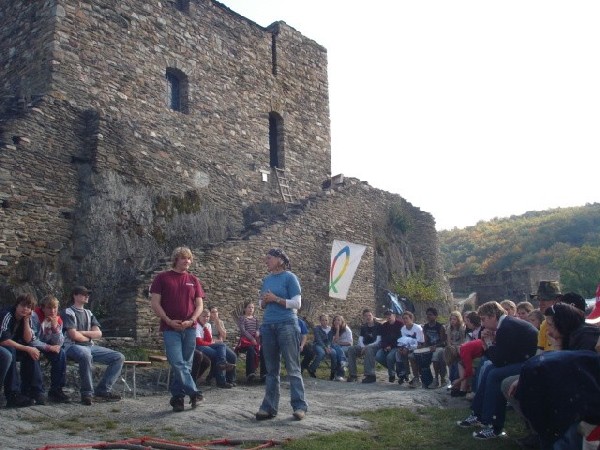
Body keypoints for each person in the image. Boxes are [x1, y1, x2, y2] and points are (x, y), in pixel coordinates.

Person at [456, 301, 538, 440]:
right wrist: (488, 343)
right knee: (489, 369)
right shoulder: (506, 325)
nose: (482, 324)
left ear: (493, 316)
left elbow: (499, 360)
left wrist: (488, 343)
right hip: (523, 360)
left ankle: (494, 425)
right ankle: (478, 414)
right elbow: (500, 357)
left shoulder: (507, 327)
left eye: (483, 319)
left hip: (532, 363)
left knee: (495, 375)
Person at [255, 248, 307, 421]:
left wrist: (276, 299)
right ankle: (268, 407)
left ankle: (299, 407)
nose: (266, 261)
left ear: (280, 260)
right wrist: (264, 301)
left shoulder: (290, 277)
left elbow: (297, 304)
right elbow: (261, 304)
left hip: (287, 325)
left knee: (292, 367)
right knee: (271, 370)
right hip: (268, 326)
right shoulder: (266, 280)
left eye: (269, 258)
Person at [150, 246, 204, 412]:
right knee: (177, 362)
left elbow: (199, 305)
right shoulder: (162, 278)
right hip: (170, 328)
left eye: (189, 258)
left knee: (185, 365)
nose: (187, 261)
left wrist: (192, 320)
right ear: (176, 259)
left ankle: (178, 398)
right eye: (183, 258)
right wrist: (167, 320)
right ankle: (194, 393)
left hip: (190, 328)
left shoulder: (193, 280)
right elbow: (155, 303)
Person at [62, 286, 125, 406]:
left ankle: (103, 390)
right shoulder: (68, 312)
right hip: (72, 346)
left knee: (118, 357)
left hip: (90, 347)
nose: (87, 296)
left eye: (88, 294)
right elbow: (73, 335)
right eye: (83, 294)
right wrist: (88, 336)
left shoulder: (89, 313)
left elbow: (98, 334)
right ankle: (87, 393)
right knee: (85, 355)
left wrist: (82, 333)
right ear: (75, 295)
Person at [0, 293, 43, 407]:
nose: (25, 309)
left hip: (11, 346)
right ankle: (12, 394)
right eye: (23, 305)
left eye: (29, 307)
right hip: (4, 346)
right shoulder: (7, 315)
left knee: (32, 352)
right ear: (17, 305)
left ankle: (34, 391)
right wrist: (27, 348)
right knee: (11, 350)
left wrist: (26, 321)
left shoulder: (26, 318)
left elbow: (28, 339)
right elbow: (3, 340)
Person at [31, 294, 70, 403]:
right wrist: (48, 347)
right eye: (49, 308)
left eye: (55, 308)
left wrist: (55, 327)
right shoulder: (34, 316)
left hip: (47, 345)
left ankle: (56, 390)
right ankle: (38, 391)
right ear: (42, 308)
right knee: (33, 354)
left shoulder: (58, 320)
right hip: (33, 344)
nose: (53, 311)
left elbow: (59, 342)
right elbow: (31, 340)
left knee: (61, 354)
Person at [195, 309, 236, 388]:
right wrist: (212, 343)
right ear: (199, 316)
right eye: (204, 316)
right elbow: (198, 342)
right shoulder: (196, 325)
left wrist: (213, 341)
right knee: (217, 354)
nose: (206, 318)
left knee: (226, 350)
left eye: (208, 316)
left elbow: (209, 340)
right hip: (198, 346)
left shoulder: (208, 325)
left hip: (208, 344)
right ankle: (221, 381)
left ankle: (226, 372)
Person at [346, 308, 381, 383]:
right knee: (351, 349)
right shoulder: (363, 327)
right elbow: (360, 339)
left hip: (375, 346)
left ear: (372, 316)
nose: (368, 317)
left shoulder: (378, 325)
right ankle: (353, 375)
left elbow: (378, 341)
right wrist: (362, 347)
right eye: (366, 316)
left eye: (369, 315)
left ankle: (370, 375)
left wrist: (367, 347)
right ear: (363, 317)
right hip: (364, 346)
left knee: (369, 349)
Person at [236, 301, 265, 382]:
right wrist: (252, 339)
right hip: (245, 340)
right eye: (249, 307)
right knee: (251, 349)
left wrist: (258, 332)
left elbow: (258, 328)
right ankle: (250, 373)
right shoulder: (242, 318)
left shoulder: (255, 319)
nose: (251, 309)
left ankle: (264, 374)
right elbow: (243, 331)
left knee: (263, 350)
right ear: (245, 309)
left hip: (255, 339)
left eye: (252, 307)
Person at [208, 306, 237, 386]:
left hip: (220, 344)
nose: (215, 314)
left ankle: (230, 379)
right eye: (213, 312)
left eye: (216, 312)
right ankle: (215, 378)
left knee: (233, 356)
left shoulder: (220, 322)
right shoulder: (207, 322)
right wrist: (217, 340)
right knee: (218, 355)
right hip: (210, 343)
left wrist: (218, 324)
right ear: (209, 313)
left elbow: (224, 336)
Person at [532, 280, 562, 353]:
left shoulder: (567, 324)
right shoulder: (544, 325)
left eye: (545, 299)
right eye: (539, 299)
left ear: (557, 300)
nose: (541, 303)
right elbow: (539, 354)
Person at [375, 309, 404, 383]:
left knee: (389, 357)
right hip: (386, 346)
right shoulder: (384, 325)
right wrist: (385, 346)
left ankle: (392, 375)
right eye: (387, 316)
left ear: (394, 315)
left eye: (390, 315)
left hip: (397, 346)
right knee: (378, 356)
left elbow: (400, 338)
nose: (388, 317)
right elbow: (383, 338)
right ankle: (392, 369)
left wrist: (391, 346)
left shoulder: (400, 324)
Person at [422, 307, 447, 388]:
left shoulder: (440, 327)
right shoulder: (425, 326)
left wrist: (435, 346)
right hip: (430, 347)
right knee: (419, 356)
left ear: (435, 316)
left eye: (430, 315)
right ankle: (426, 379)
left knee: (435, 356)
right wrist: (424, 348)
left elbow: (443, 342)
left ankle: (438, 379)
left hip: (439, 347)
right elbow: (426, 340)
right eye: (427, 315)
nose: (428, 316)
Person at [399, 311, 425, 387]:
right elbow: (404, 341)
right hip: (409, 347)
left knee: (411, 356)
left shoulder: (417, 328)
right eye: (403, 319)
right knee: (399, 353)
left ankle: (417, 378)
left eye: (406, 318)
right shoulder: (403, 329)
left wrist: (409, 348)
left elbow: (420, 343)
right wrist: (403, 348)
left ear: (411, 319)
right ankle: (406, 374)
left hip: (419, 347)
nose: (405, 320)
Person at [328, 314, 353, 382]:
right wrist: (337, 330)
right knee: (336, 351)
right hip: (337, 346)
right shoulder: (333, 329)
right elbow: (335, 341)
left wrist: (339, 343)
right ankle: (343, 362)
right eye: (335, 320)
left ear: (342, 322)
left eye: (339, 320)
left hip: (346, 346)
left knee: (337, 352)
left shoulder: (347, 329)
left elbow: (350, 343)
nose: (336, 321)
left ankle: (339, 375)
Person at [445, 310, 467, 386]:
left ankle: (457, 381)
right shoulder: (449, 328)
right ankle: (451, 380)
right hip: (452, 347)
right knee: (448, 355)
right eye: (451, 319)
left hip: (460, 347)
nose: (452, 321)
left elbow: (463, 341)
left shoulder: (462, 328)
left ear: (458, 319)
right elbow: (448, 341)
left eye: (454, 319)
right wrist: (451, 348)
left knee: (457, 362)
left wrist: (456, 348)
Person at [307, 314, 331, 378]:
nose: (324, 322)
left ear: (328, 321)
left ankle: (334, 372)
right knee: (321, 353)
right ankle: (312, 369)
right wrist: (325, 348)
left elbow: (330, 340)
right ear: (320, 321)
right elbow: (318, 339)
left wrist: (328, 346)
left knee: (334, 353)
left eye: (326, 320)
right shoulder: (316, 328)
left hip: (327, 346)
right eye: (322, 320)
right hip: (318, 344)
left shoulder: (330, 329)